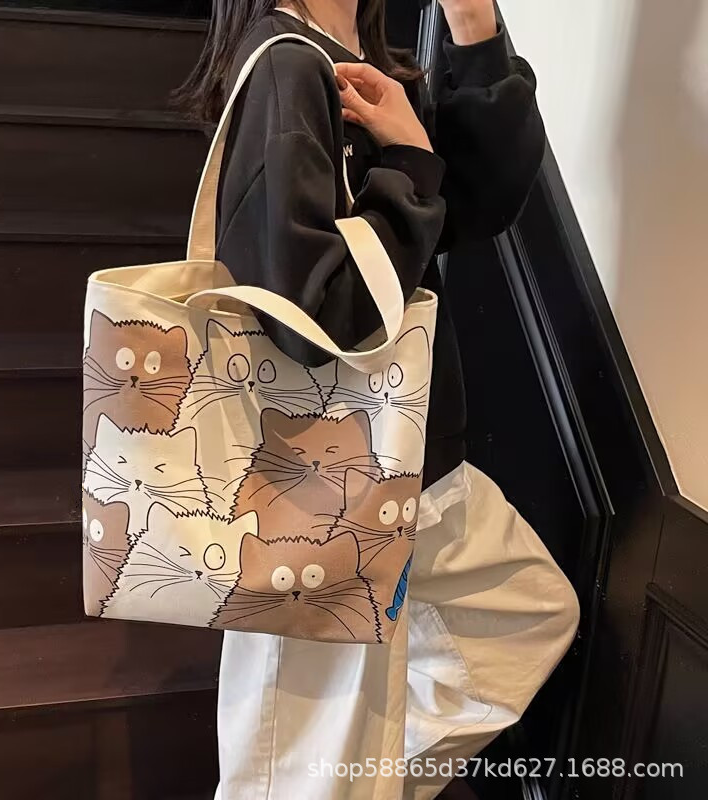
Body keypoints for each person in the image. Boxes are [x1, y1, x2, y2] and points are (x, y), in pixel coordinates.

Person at [176, 1, 580, 798]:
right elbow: (310, 315)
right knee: (300, 771)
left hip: (409, 458)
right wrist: (410, 165)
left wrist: (473, 27)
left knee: (526, 617)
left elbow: (472, 208)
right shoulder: (290, 65)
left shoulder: (362, 54)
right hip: (321, 485)